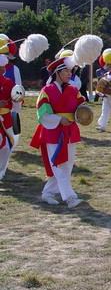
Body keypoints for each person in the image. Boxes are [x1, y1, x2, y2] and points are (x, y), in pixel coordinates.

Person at [29, 55, 85, 208]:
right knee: (59, 164)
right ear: (58, 72)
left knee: (68, 164)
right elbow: (43, 114)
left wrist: (83, 115)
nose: (69, 74)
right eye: (66, 71)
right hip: (53, 131)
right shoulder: (46, 90)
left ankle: (47, 193)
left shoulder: (74, 90)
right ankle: (69, 197)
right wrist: (59, 120)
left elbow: (82, 108)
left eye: (70, 71)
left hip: (70, 130)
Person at [1, 35, 22, 147]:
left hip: (10, 108)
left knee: (10, 136)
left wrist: (16, 106)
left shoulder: (14, 69)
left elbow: (18, 89)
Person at [0, 55, 16, 180]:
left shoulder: (9, 82)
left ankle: (2, 170)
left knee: (7, 145)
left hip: (6, 117)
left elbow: (14, 99)